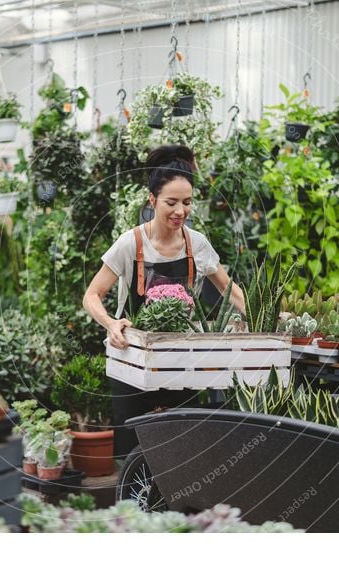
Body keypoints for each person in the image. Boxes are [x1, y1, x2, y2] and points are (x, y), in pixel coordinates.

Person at [83, 144, 246, 458]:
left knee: (180, 454)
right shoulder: (130, 243)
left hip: (179, 364)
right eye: (171, 202)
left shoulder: (196, 243)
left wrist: (267, 318)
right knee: (133, 456)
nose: (180, 211)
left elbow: (230, 290)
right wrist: (111, 323)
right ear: (152, 200)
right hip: (131, 361)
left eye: (187, 203)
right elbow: (92, 295)